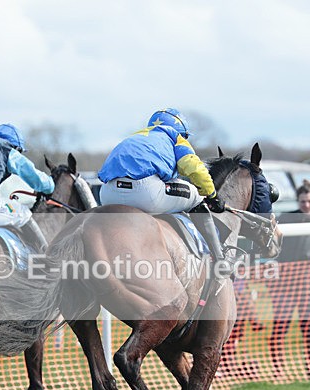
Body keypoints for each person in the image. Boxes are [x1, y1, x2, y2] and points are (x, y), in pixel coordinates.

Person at [98, 108, 233, 278]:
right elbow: (194, 169)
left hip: (107, 194)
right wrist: (212, 195)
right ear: (181, 132)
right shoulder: (176, 138)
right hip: (145, 193)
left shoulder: (135, 136)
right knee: (198, 196)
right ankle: (219, 258)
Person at [268, 180, 310, 380]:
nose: (306, 205)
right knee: (280, 327)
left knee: (309, 329)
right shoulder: (286, 219)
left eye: (309, 201)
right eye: (303, 201)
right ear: (298, 201)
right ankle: (277, 370)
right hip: (284, 285)